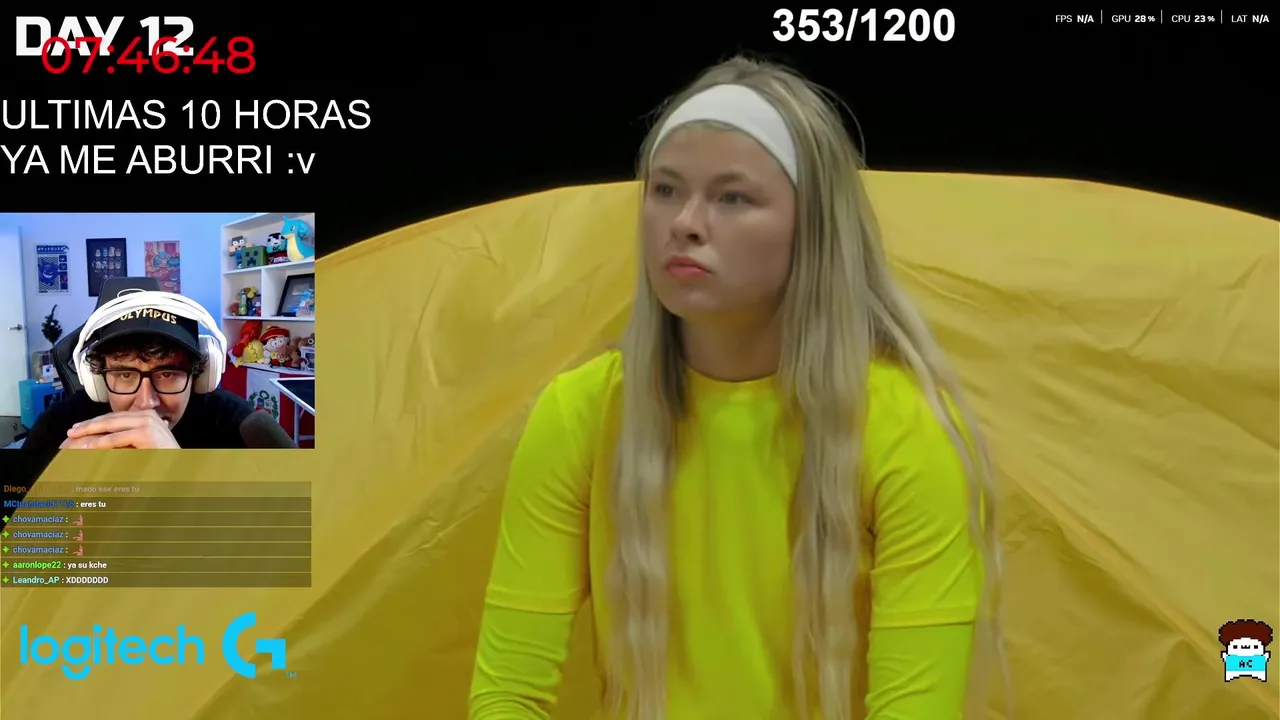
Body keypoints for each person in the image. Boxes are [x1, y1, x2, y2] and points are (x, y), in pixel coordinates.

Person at [470, 56, 1005, 719]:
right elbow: (508, 695)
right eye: (666, 190)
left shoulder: (907, 430)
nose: (685, 223)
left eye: (732, 198)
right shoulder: (580, 414)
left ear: (813, 227)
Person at [21, 291, 279, 451]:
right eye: (125, 375)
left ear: (199, 376)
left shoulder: (236, 426)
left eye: (167, 374)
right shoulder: (60, 426)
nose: (146, 403)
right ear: (97, 379)